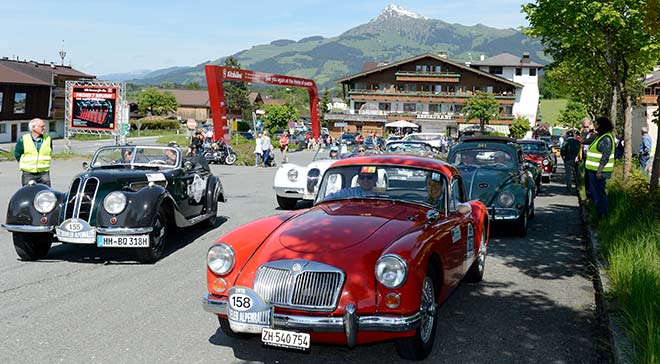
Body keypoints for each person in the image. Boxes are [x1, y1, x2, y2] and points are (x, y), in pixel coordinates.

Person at [585, 116, 614, 219]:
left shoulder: (606, 138)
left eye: (596, 124)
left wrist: (599, 171)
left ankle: (602, 216)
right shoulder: (600, 136)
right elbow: (586, 141)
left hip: (599, 172)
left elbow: (605, 156)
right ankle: (600, 215)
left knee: (599, 194)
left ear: (601, 125)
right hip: (594, 170)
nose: (594, 125)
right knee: (596, 193)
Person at [14, 118, 52, 186]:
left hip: (44, 173)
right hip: (28, 173)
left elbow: (50, 151)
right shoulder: (23, 139)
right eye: (42, 126)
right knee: (28, 193)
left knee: (45, 193)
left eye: (44, 126)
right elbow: (17, 154)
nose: (44, 128)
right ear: (33, 127)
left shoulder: (48, 139)